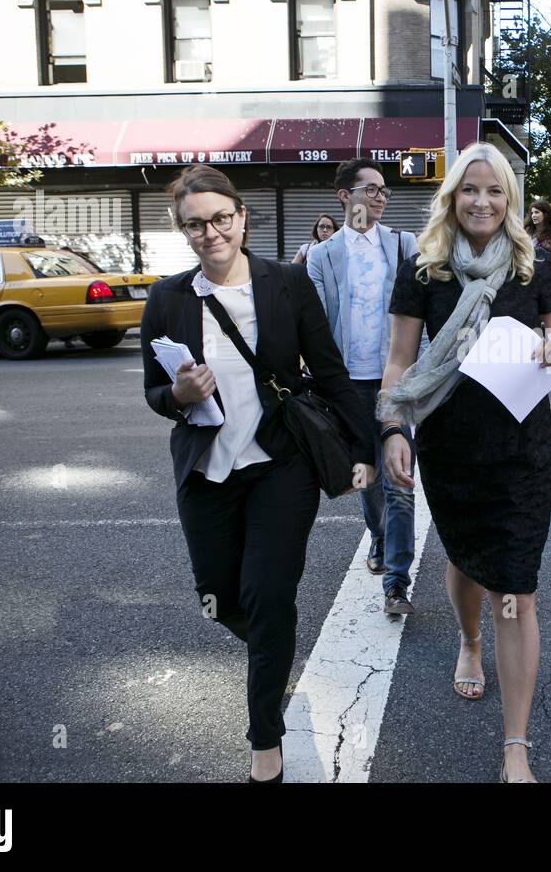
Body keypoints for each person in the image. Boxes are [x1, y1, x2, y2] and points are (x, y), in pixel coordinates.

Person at [140, 165, 375, 782]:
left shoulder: (287, 284)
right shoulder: (167, 299)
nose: (210, 232)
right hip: (207, 471)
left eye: (221, 218)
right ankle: (275, 652)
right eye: (195, 224)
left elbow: (329, 371)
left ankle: (264, 746)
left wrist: (367, 448)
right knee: (219, 601)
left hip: (280, 465)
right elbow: (153, 394)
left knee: (269, 599)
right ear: (182, 229)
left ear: (242, 217)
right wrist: (180, 393)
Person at [376, 142, 551, 783]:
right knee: (464, 561)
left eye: (494, 191)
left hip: (521, 448)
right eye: (469, 191)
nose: (481, 201)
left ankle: (516, 744)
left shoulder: (532, 265)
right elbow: (400, 362)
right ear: (451, 198)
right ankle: (469, 640)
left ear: (509, 200)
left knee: (515, 586)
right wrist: (393, 428)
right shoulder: (423, 270)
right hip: (450, 446)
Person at [306, 158, 419, 615]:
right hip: (347, 383)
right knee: (368, 476)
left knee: (400, 481)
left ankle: (397, 582)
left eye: (383, 190)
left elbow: (421, 312)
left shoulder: (402, 244)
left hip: (397, 380)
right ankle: (378, 535)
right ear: (344, 197)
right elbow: (314, 326)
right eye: (369, 189)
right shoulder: (322, 255)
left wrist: (423, 370)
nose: (379, 196)